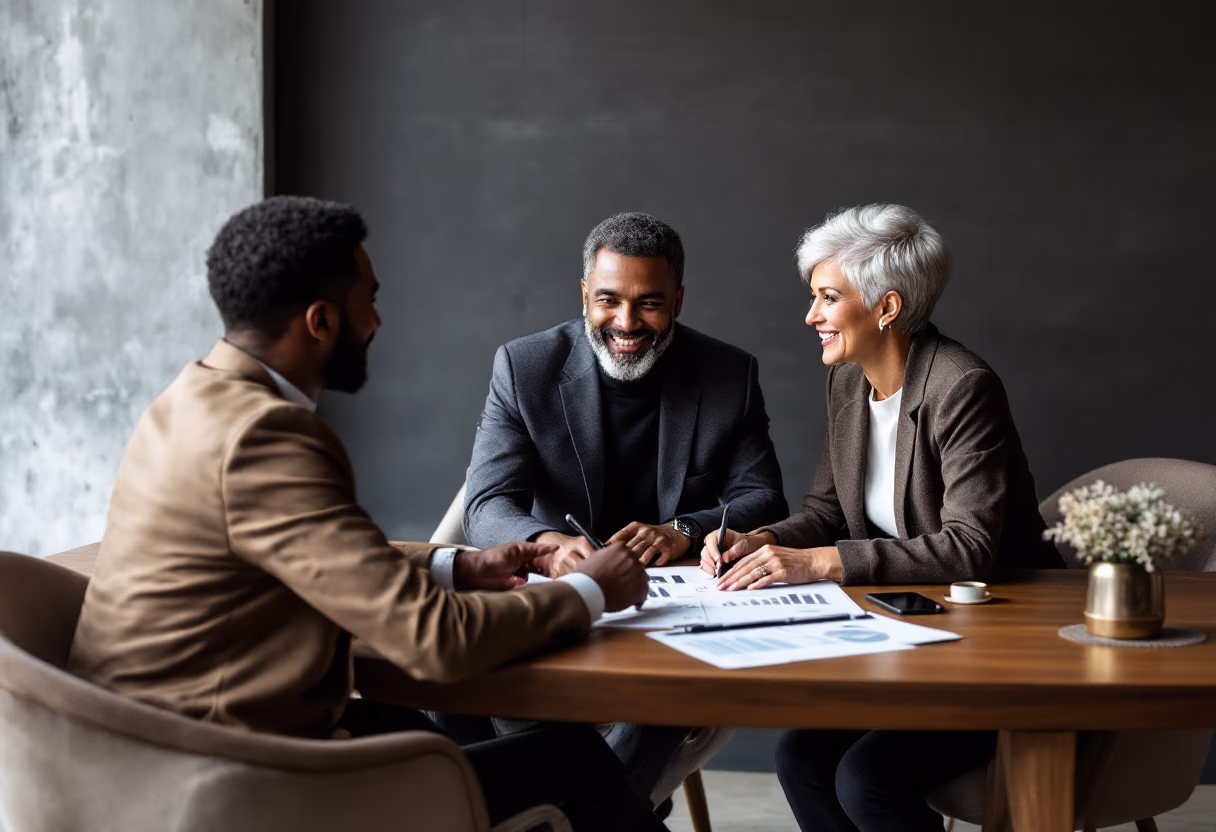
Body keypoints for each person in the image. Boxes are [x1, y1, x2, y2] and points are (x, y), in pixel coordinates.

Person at [67, 196, 669, 832]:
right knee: (572, 760)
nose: (378, 320)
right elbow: (437, 641)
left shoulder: (191, 398)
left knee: (441, 738)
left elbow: (321, 556)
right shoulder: (267, 437)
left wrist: (459, 565)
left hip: (162, 747)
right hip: (227, 779)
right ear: (322, 321)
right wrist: (589, 590)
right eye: (369, 300)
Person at [700, 204, 1064, 832]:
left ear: (887, 308)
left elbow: (970, 546)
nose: (810, 315)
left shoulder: (962, 386)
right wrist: (758, 541)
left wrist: (822, 561)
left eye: (827, 297)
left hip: (997, 651)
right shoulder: (848, 382)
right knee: (800, 754)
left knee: (867, 779)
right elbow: (826, 511)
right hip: (913, 639)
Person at [463, 211, 788, 801]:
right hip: (562, 602)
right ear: (585, 293)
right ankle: (607, 812)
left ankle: (579, 813)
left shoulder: (728, 374)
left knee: (659, 702)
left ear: (679, 300)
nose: (627, 322)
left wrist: (684, 530)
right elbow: (486, 503)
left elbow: (764, 497)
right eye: (608, 300)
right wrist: (546, 546)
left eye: (650, 303)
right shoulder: (525, 366)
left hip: (675, 615)